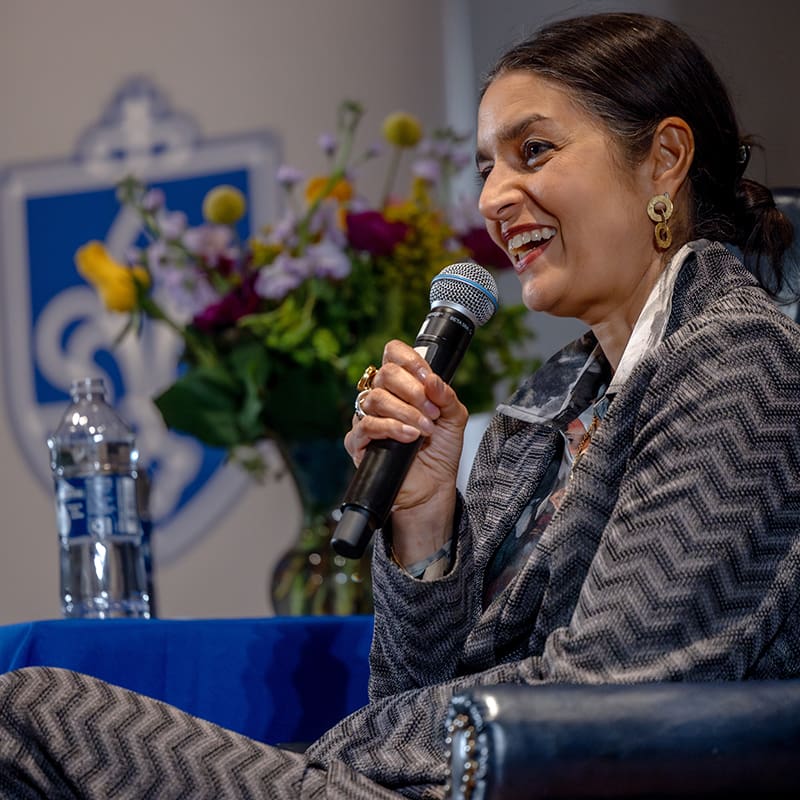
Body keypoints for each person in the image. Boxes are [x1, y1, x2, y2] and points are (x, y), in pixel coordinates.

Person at [2, 11, 799, 799]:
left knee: (32, 709)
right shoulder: (550, 400)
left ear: (664, 156)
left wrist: (347, 744)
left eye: (533, 152)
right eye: (487, 166)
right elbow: (410, 689)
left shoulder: (738, 360)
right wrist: (422, 523)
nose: (495, 197)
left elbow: (609, 699)